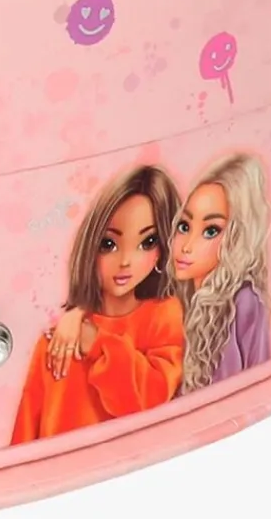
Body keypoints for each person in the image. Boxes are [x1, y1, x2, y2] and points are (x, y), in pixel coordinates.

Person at [11, 164, 183, 443]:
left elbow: (149, 399)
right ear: (91, 245)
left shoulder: (164, 314)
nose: (125, 261)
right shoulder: (58, 340)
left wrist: (97, 342)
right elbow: (26, 433)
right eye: (108, 244)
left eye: (147, 242)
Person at [170, 153, 271, 392]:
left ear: (235, 238)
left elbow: (260, 380)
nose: (187, 246)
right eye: (184, 226)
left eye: (210, 231)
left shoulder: (245, 301)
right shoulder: (178, 298)